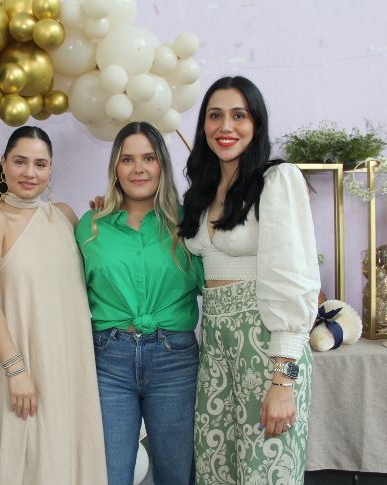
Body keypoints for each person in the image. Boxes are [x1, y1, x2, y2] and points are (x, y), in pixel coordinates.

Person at [179, 76, 320, 484]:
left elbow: (295, 276)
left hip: (266, 346)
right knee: (215, 470)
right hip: (216, 347)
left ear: (256, 123)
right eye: (215, 116)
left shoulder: (277, 180)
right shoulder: (201, 194)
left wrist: (283, 379)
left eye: (239, 115)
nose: (226, 127)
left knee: (265, 474)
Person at [0, 126, 107, 485]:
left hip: (66, 364)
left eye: (40, 164)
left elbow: (85, 281)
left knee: (60, 456)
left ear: (51, 169)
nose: (30, 172)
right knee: (20, 460)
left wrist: (105, 218)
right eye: (20, 161)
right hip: (17, 363)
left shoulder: (65, 216)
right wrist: (16, 370)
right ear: (3, 164)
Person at [75, 121, 204, 485]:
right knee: (110, 474)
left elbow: (215, 284)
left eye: (148, 157)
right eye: (127, 159)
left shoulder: (188, 224)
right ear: (115, 168)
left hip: (175, 360)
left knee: (177, 474)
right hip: (109, 361)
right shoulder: (91, 226)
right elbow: (69, 297)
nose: (138, 168)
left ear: (162, 164)